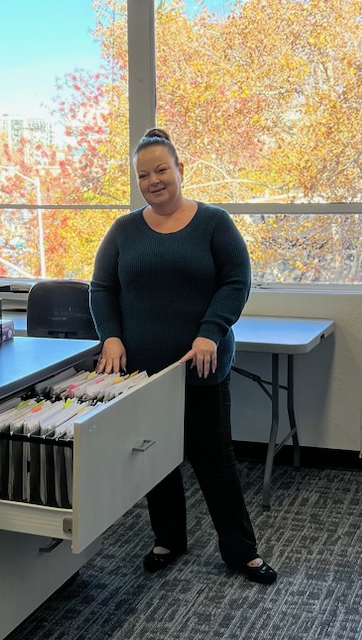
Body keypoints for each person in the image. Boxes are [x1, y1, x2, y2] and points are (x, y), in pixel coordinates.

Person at [89, 128, 277, 584]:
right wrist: (110, 337)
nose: (153, 181)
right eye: (143, 175)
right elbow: (102, 288)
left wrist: (211, 332)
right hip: (143, 372)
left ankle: (241, 552)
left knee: (215, 460)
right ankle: (168, 539)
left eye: (161, 170)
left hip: (201, 367)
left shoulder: (214, 223)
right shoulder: (124, 230)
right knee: (155, 459)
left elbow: (236, 281)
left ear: (179, 170)